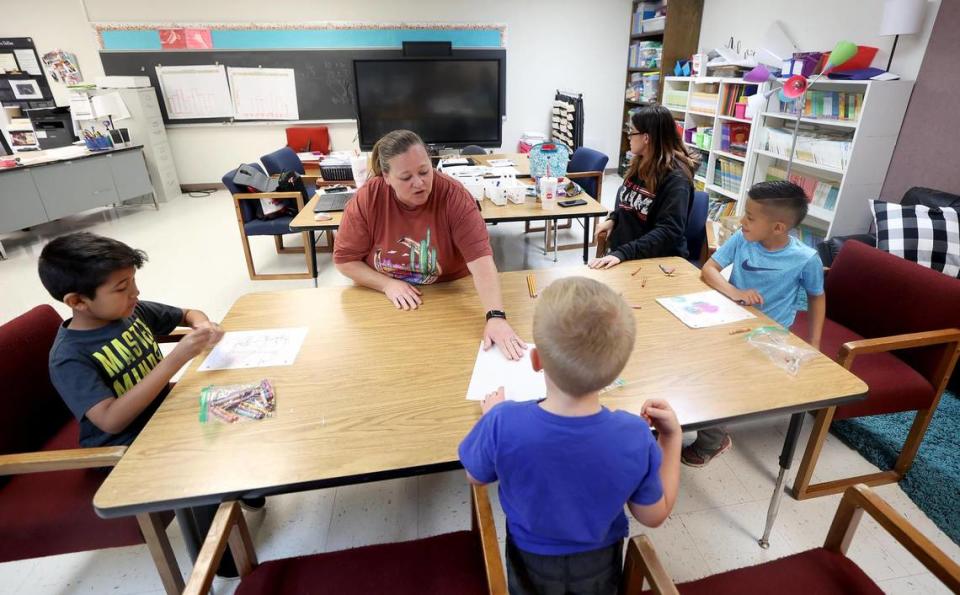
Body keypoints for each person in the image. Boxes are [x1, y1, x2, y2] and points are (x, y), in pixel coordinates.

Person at [458, 276, 682, 595]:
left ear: (536, 361)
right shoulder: (635, 434)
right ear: (615, 374)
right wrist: (671, 439)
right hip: (601, 566)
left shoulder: (503, 422)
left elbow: (474, 475)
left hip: (528, 559)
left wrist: (493, 414)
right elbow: (654, 515)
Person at [334, 129, 526, 360]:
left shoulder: (454, 197)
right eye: (406, 177)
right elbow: (345, 261)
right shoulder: (369, 198)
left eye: (425, 171)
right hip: (386, 301)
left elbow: (482, 262)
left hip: (448, 292)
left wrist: (495, 316)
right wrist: (387, 285)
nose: (420, 183)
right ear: (386, 177)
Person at [39, 232, 224, 448]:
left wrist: (202, 325)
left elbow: (189, 313)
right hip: (128, 448)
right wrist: (175, 359)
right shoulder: (68, 357)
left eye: (133, 281)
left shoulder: (130, 311)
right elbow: (111, 421)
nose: (135, 292)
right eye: (121, 288)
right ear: (78, 301)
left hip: (163, 415)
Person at [687, 180, 826, 467]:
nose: (742, 221)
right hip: (730, 319)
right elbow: (709, 269)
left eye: (750, 217)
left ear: (778, 227)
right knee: (692, 356)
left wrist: (813, 344)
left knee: (721, 379)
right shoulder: (742, 239)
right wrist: (735, 293)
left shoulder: (805, 259)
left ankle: (712, 441)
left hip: (769, 335)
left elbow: (816, 297)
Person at [589, 105, 698, 269]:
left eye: (632, 132)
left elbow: (668, 232)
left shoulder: (676, 179)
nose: (628, 137)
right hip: (630, 253)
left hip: (655, 261)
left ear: (646, 138)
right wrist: (614, 219)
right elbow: (629, 203)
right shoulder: (640, 163)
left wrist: (623, 253)